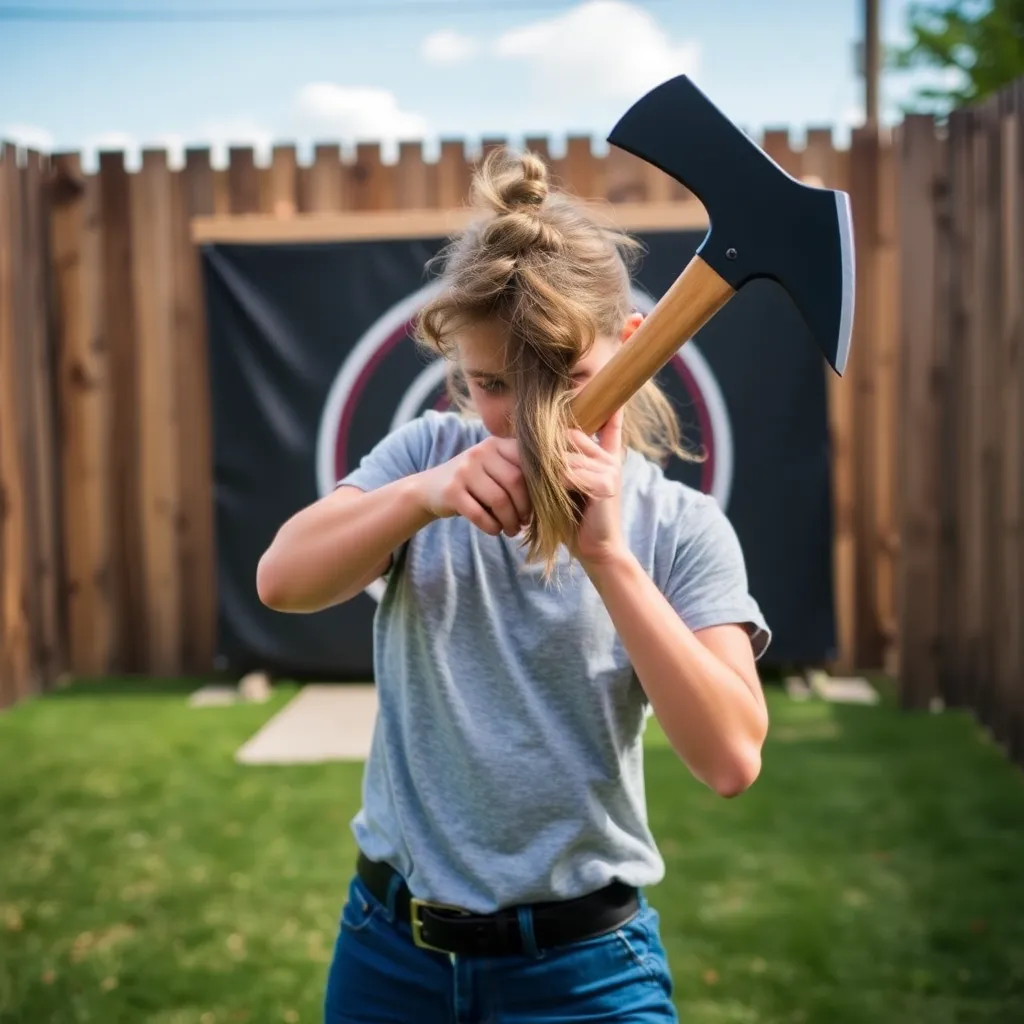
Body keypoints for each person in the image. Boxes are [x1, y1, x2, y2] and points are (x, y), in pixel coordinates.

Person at [256, 146, 772, 1024]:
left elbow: (729, 759)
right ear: (460, 366)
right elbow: (282, 581)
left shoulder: (679, 528)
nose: (528, 412)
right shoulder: (426, 457)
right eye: (494, 384)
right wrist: (421, 498)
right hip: (394, 955)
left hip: (587, 973)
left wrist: (608, 558)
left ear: (634, 346)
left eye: (567, 379)